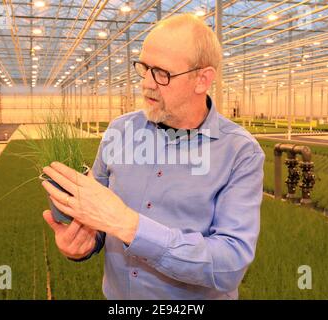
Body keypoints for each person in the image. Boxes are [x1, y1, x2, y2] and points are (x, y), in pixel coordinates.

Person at [42, 13, 265, 300]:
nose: (146, 83)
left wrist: (129, 225)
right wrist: (83, 242)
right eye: (144, 68)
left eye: (162, 73)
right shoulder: (119, 131)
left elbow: (229, 264)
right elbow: (96, 218)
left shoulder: (240, 152)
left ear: (202, 79)